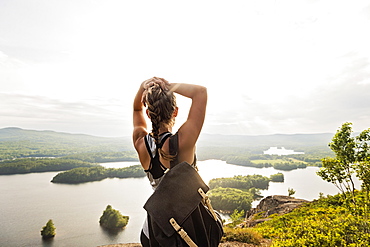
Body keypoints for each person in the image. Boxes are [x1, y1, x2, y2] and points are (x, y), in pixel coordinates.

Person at [132, 76, 207, 246]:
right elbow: (200, 92)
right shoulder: (183, 142)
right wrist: (168, 86)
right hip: (190, 228)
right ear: (175, 112)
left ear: (148, 113)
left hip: (154, 232)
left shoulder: (140, 142)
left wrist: (143, 87)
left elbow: (136, 110)